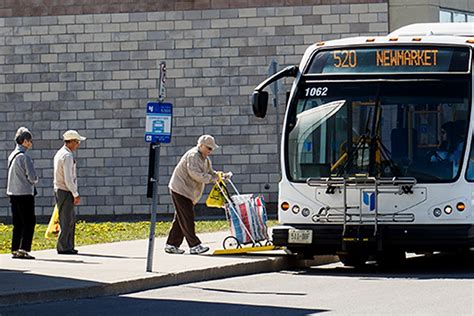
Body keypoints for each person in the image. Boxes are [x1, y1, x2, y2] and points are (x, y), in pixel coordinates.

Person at [165, 135, 231, 255]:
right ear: (200, 145)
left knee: (181, 218)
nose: (210, 151)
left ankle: (171, 244)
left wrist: (221, 176)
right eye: (208, 148)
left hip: (187, 192)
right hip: (180, 189)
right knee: (188, 217)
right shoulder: (193, 155)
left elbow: (210, 173)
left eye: (212, 149)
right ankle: (194, 245)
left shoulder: (205, 159)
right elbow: (195, 174)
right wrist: (212, 179)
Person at [7, 127, 38, 259]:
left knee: (18, 222)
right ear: (25, 141)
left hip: (13, 193)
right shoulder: (25, 157)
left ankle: (15, 248)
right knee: (29, 222)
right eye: (30, 141)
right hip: (25, 194)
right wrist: (36, 179)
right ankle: (24, 248)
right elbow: (32, 177)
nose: (31, 143)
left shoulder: (12, 156)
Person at [53, 130, 86, 255]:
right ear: (70, 142)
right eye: (77, 142)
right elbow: (68, 178)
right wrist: (75, 193)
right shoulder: (67, 156)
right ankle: (64, 247)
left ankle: (68, 245)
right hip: (65, 190)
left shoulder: (60, 153)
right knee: (67, 220)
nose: (78, 144)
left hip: (61, 190)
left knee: (68, 219)